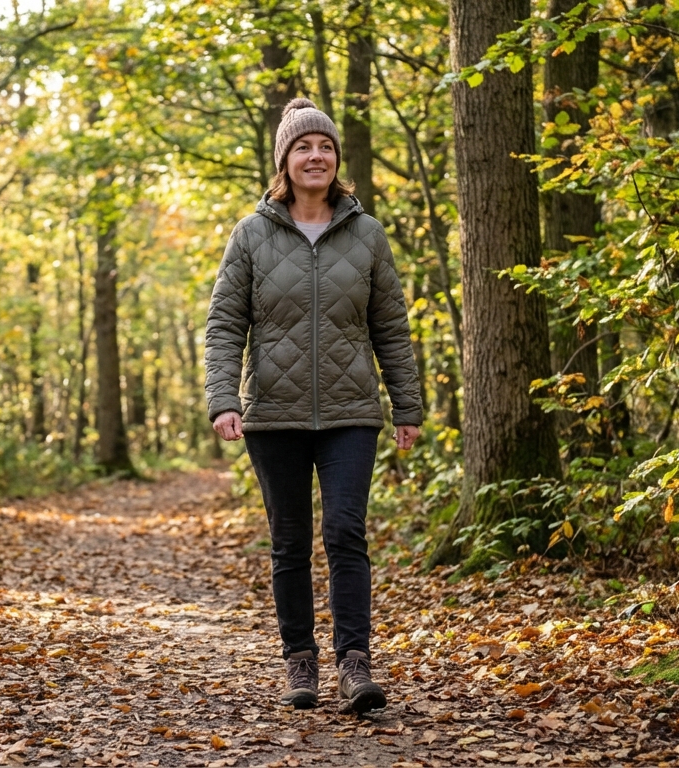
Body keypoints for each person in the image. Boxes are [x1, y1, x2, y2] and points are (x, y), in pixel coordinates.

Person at [204, 98, 423, 713]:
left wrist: (406, 405)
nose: (316, 156)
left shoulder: (367, 233)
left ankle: (355, 664)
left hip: (352, 411)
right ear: (285, 161)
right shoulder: (251, 235)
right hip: (273, 413)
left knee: (345, 531)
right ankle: (300, 661)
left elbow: (390, 326)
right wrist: (223, 399)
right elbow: (224, 325)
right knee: (290, 542)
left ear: (336, 159)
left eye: (325, 146)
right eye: (303, 147)